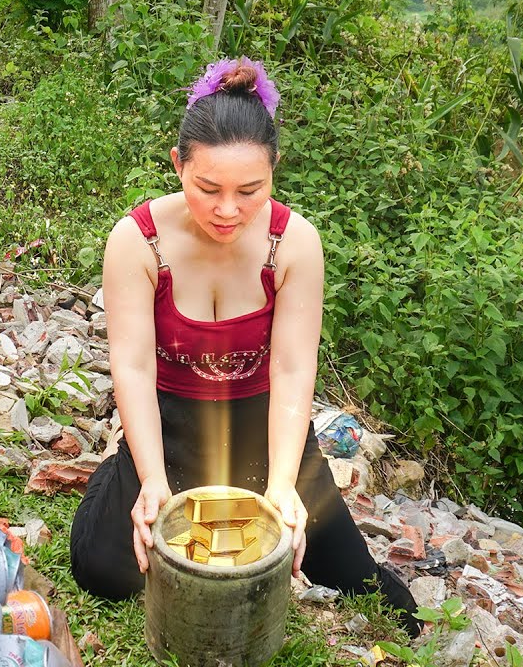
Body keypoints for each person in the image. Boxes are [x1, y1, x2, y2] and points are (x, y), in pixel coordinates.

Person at [68, 57, 421, 635]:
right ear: (178, 165)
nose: (227, 210)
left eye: (250, 190)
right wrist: (151, 480)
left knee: (359, 584)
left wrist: (283, 485)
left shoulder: (294, 242)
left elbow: (290, 369)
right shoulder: (136, 240)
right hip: (170, 424)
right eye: (208, 188)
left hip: (265, 431)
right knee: (107, 571)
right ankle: (118, 473)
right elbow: (131, 366)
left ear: (275, 169)